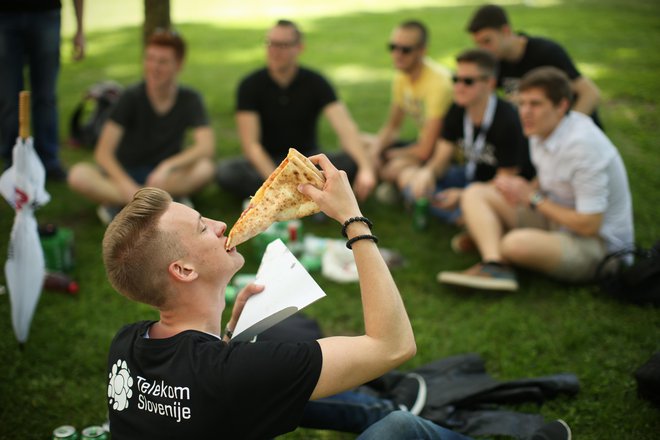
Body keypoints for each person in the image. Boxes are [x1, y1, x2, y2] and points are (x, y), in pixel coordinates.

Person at [103, 153, 418, 438]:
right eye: (202, 228)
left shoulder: (126, 344)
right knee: (398, 429)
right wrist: (353, 219)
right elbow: (392, 346)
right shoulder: (237, 371)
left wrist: (228, 338)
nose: (220, 224)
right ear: (184, 270)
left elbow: (194, 389)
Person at [438, 67, 634, 292]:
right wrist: (521, 189)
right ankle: (495, 264)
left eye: (535, 104)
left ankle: (496, 241)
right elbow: (550, 176)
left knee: (515, 244)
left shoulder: (583, 148)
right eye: (522, 103)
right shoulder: (541, 129)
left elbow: (589, 225)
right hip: (558, 220)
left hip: (600, 247)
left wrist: (533, 196)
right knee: (474, 192)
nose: (525, 112)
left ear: (561, 106)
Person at [216, 19, 376, 201]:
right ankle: (307, 196)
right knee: (226, 172)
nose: (274, 51)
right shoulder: (250, 85)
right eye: (270, 43)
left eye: (282, 45)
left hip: (307, 162)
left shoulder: (316, 82)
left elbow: (345, 128)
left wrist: (366, 168)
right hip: (267, 163)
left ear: (299, 47)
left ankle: (291, 197)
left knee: (348, 163)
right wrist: (277, 181)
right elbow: (251, 146)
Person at [67, 29, 215, 224]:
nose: (154, 67)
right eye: (150, 59)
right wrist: (126, 185)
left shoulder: (190, 98)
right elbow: (103, 153)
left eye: (162, 61)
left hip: (163, 177)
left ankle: (128, 205)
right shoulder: (130, 97)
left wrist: (167, 166)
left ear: (178, 65)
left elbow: (206, 147)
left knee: (206, 169)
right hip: (125, 172)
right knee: (78, 175)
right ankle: (158, 201)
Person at [398, 48, 529, 225]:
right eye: (455, 79)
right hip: (468, 175)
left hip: (496, 190)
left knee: (475, 203)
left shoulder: (508, 120)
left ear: (490, 83)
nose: (458, 87)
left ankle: (467, 218)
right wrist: (428, 172)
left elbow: (504, 180)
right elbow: (442, 157)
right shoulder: (457, 109)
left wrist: (462, 196)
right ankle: (465, 219)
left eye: (468, 81)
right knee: (410, 179)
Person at [466, 3, 603, 127]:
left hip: (575, 131)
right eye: (478, 44)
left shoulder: (545, 52)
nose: (483, 50)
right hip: (539, 132)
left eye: (487, 41)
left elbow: (590, 93)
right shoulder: (495, 63)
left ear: (506, 31)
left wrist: (568, 129)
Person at [364, 20, 453, 202]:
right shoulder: (402, 75)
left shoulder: (439, 84)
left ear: (422, 50)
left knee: (394, 166)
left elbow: (425, 151)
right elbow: (392, 126)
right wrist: (376, 150)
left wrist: (388, 155)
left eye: (405, 50)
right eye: (393, 47)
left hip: (444, 153)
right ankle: (391, 182)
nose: (397, 54)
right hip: (422, 143)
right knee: (359, 142)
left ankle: (399, 186)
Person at [0, 0, 85, 181]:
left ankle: (48, 161)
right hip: (4, 16)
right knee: (8, 96)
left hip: (46, 12)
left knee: (46, 96)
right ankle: (14, 161)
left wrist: (80, 29)